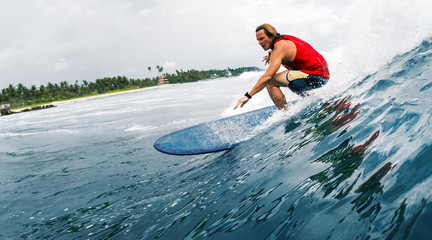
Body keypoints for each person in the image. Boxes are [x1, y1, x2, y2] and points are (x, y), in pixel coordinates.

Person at [234, 23, 330, 110]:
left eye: (262, 38)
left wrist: (248, 96)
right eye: (258, 40)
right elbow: (281, 50)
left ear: (271, 36)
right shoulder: (283, 40)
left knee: (270, 82)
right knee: (292, 80)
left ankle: (284, 114)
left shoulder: (279, 48)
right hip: (322, 74)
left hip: (316, 76)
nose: (259, 43)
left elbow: (267, 76)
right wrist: (271, 53)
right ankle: (312, 97)